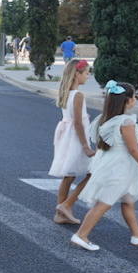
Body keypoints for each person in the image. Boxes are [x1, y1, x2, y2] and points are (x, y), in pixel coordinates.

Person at [70, 81, 138, 251]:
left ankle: (137, 234)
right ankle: (81, 235)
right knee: (104, 203)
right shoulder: (126, 122)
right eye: (134, 96)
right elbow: (134, 150)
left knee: (128, 200)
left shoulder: (104, 118)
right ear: (127, 101)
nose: (135, 99)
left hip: (111, 163)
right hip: (120, 167)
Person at [49, 59, 94, 225]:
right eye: (86, 73)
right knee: (93, 171)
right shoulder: (78, 95)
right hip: (76, 137)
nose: (88, 76)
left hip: (66, 135)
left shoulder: (66, 92)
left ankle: (60, 212)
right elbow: (77, 122)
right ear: (77, 74)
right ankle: (66, 205)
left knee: (68, 175)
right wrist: (86, 146)